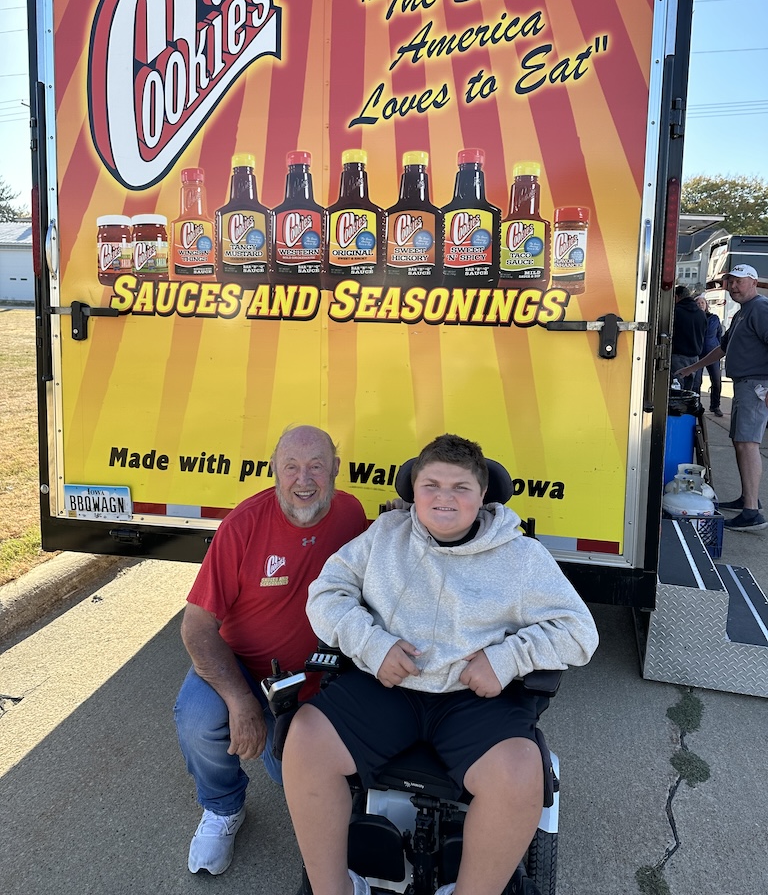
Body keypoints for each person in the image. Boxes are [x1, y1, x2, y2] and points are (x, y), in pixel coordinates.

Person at [282, 434, 599, 895]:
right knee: (306, 740)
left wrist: (507, 658)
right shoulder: (384, 536)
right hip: (388, 685)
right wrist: (372, 645)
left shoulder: (521, 558)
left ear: (483, 494)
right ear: (414, 489)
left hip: (472, 698)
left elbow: (579, 632)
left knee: (519, 771)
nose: (444, 498)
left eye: (460, 488)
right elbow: (326, 595)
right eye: (431, 484)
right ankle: (337, 889)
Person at [174, 425, 369, 875]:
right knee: (199, 719)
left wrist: (406, 516)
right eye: (292, 467)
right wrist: (240, 701)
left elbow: (381, 561)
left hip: (315, 676)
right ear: (274, 471)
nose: (304, 480)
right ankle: (223, 808)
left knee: (295, 774)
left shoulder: (351, 513)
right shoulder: (242, 525)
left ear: (336, 470)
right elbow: (197, 625)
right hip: (242, 667)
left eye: (317, 466)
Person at [677, 265, 768, 532]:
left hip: (756, 385)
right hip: (745, 384)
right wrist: (692, 368)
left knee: (748, 444)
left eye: (738, 282)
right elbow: (722, 348)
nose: (732, 287)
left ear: (753, 282)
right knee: (740, 443)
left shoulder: (761, 309)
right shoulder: (744, 313)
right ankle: (747, 499)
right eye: (729, 282)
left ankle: (751, 512)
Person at [671, 284, 707, 392]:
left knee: (677, 390)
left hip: (678, 357)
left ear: (676, 297)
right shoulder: (701, 314)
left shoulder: (676, 312)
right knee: (689, 391)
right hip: (695, 358)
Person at [695, 294, 723, 416]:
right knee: (697, 382)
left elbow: (720, 334)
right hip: (698, 354)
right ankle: (697, 406)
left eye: (702, 302)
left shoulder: (714, 318)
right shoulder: (694, 318)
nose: (700, 304)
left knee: (716, 381)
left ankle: (715, 406)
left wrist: (719, 348)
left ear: (706, 305)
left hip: (713, 354)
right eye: (698, 303)